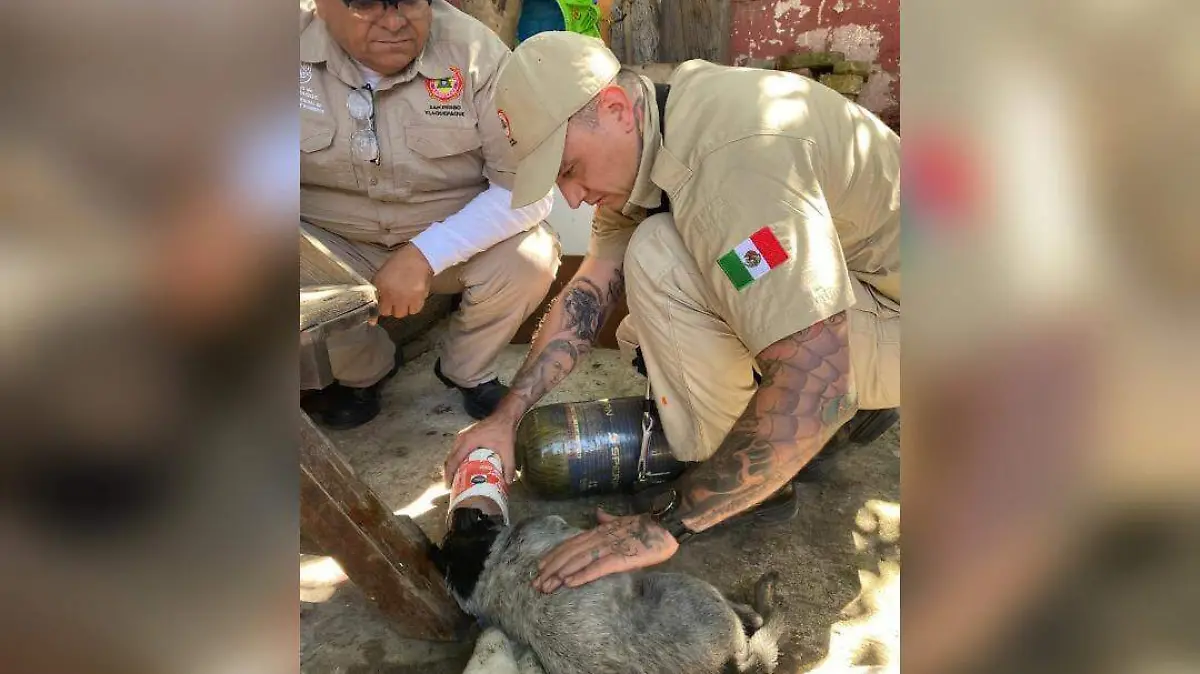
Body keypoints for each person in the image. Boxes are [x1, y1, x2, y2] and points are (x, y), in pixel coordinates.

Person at [445, 31, 901, 590]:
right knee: (646, 320)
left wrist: (670, 520)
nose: (570, 196)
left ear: (614, 110)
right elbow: (590, 291)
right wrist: (505, 418)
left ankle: (760, 483)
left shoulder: (733, 160)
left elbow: (818, 372)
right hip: (876, 284)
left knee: (662, 259)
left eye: (567, 168)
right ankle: (823, 428)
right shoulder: (655, 119)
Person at [299, 0, 560, 429]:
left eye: (409, 1)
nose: (395, 20)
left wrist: (427, 253)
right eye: (366, 3)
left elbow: (529, 192)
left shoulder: (477, 55)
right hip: (332, 245)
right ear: (323, 6)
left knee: (530, 257)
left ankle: (467, 369)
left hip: (450, 243)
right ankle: (362, 370)